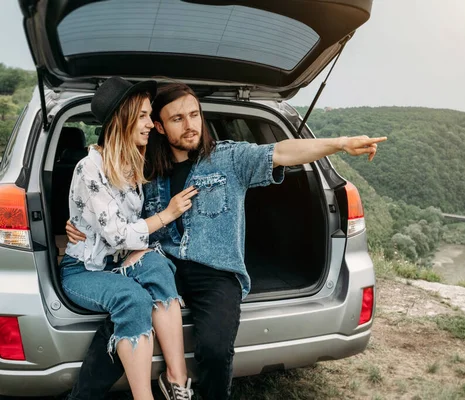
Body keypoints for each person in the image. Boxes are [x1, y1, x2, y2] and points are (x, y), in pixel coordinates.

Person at [66, 81, 387, 400]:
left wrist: (341, 143)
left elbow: (282, 151)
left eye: (194, 115)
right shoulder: (145, 166)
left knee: (215, 349)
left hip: (214, 271)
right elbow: (109, 206)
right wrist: (72, 225)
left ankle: (187, 387)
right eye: (177, 118)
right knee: (127, 308)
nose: (190, 125)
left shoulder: (229, 157)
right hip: (162, 261)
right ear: (161, 128)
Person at [61, 77, 196, 400]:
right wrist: (168, 213)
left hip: (117, 261)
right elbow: (119, 233)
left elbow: (128, 229)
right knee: (133, 299)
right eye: (144, 116)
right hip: (84, 270)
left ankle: (176, 381)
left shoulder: (133, 163)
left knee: (158, 268)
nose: (151, 124)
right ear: (123, 119)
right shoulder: (88, 168)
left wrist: (143, 251)